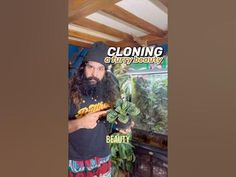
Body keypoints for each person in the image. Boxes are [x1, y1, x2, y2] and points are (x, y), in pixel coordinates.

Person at [68, 42, 123, 177]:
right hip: (77, 160)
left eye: (100, 69)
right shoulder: (69, 92)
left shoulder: (109, 92)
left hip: (103, 156)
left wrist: (122, 125)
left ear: (105, 72)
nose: (94, 73)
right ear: (83, 67)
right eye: (90, 67)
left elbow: (112, 119)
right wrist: (80, 123)